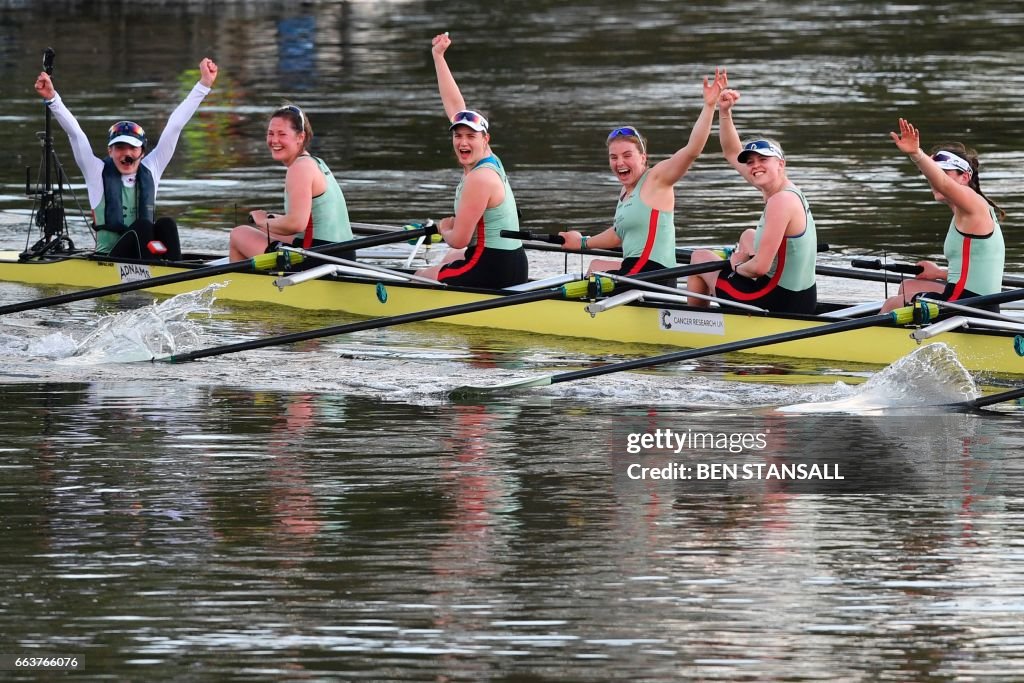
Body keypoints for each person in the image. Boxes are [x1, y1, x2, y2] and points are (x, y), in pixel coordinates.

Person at [34, 58, 218, 261]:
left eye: (132, 147)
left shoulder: (152, 168)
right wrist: (52, 99)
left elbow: (175, 126)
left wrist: (204, 85)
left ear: (143, 152)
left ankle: (176, 270)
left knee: (166, 224)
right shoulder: (95, 171)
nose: (126, 154)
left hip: (145, 255)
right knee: (142, 226)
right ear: (110, 151)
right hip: (110, 258)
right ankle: (160, 275)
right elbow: (75, 134)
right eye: (119, 148)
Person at [557, 69, 727, 278]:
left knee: (594, 274)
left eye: (627, 155)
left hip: (652, 276)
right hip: (636, 272)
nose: (620, 163)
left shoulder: (657, 179)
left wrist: (709, 106)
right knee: (595, 265)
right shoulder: (625, 191)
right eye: (614, 157)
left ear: (643, 158)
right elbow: (619, 234)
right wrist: (582, 242)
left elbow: (692, 150)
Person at [686, 87, 818, 314]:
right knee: (748, 235)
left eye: (763, 159)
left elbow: (759, 268)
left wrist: (736, 264)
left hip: (776, 301)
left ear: (780, 164)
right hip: (802, 298)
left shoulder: (781, 201)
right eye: (751, 162)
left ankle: (695, 325)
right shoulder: (785, 188)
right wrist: (725, 112)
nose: (755, 166)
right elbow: (731, 152)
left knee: (699, 258)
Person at [415, 33, 528, 288]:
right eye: (458, 136)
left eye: (470, 137)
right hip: (513, 262)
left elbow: (459, 240)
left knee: (420, 277)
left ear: (485, 139)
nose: (463, 142)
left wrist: (444, 227)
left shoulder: (479, 178)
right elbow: (455, 105)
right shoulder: (489, 158)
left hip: (491, 270)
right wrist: (438, 57)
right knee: (449, 258)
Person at [880, 118, 1005, 313]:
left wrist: (916, 153)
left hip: (966, 306)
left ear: (965, 177)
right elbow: (977, 269)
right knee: (909, 287)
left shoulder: (974, 204)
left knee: (892, 305)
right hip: (974, 300)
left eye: (945, 172)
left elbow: (944, 184)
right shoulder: (968, 212)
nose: (934, 181)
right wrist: (939, 273)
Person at [228, 104, 353, 262]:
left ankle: (236, 285)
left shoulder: (299, 168)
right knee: (268, 232)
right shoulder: (316, 162)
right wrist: (271, 221)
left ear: (300, 137)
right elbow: (306, 221)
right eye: (271, 133)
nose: (274, 140)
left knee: (239, 234)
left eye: (282, 134)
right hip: (342, 254)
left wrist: (261, 220)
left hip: (320, 259)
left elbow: (296, 224)